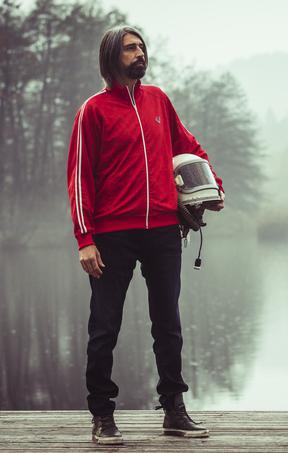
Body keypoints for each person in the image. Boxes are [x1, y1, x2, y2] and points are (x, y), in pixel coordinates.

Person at [66, 25, 224, 445]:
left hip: (163, 233)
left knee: (168, 324)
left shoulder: (158, 100)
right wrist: (85, 238)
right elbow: (80, 179)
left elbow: (190, 148)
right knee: (104, 327)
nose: (139, 53)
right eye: (129, 48)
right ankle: (102, 415)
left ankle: (174, 410)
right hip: (112, 235)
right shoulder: (93, 111)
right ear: (111, 56)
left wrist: (213, 188)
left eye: (141, 47)